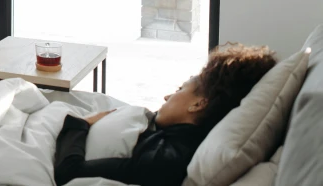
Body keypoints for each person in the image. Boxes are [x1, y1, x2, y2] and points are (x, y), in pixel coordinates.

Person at [54, 43, 278, 186]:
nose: (166, 97)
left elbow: (69, 172)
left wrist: (79, 124)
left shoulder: (164, 159)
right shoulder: (178, 141)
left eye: (180, 89)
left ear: (198, 104)